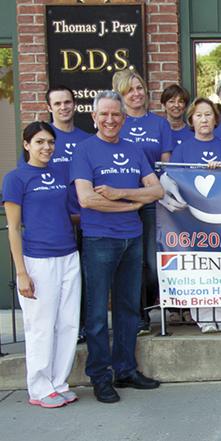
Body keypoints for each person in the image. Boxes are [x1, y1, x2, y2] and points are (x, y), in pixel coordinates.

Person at [71, 90, 163, 403]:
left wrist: (118, 193)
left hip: (131, 239)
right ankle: (100, 376)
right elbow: (87, 199)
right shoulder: (84, 150)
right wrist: (131, 203)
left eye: (116, 115)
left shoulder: (135, 150)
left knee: (127, 309)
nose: (110, 120)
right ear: (94, 117)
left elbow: (157, 190)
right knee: (97, 313)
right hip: (98, 239)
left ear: (124, 118)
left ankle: (126, 370)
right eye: (104, 114)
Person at [3, 122, 81, 408]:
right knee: (40, 325)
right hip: (38, 260)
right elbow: (12, 228)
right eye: (39, 142)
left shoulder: (59, 173)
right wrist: (22, 272)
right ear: (26, 145)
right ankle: (38, 387)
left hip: (68, 255)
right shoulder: (16, 178)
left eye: (50, 142)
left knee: (68, 323)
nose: (46, 147)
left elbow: (70, 213)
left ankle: (58, 383)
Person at [19, 86, 91, 341]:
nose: (64, 107)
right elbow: (27, 187)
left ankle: (80, 327)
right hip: (54, 230)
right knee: (51, 293)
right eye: (57, 103)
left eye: (68, 102)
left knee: (80, 282)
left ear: (74, 104)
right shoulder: (42, 140)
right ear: (49, 107)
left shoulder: (86, 139)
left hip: (85, 221)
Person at [170, 97, 221, 333]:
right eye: (198, 115)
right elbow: (173, 181)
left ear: (215, 118)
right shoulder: (182, 149)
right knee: (200, 267)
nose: (204, 119)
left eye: (208, 114)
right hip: (192, 219)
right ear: (191, 119)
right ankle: (204, 317)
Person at [113, 69, 174, 336]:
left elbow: (167, 166)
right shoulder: (116, 123)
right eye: (129, 90)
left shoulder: (160, 124)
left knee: (150, 263)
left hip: (150, 202)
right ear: (120, 94)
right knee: (129, 261)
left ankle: (151, 303)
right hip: (121, 203)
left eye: (139, 88)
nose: (136, 94)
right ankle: (139, 318)